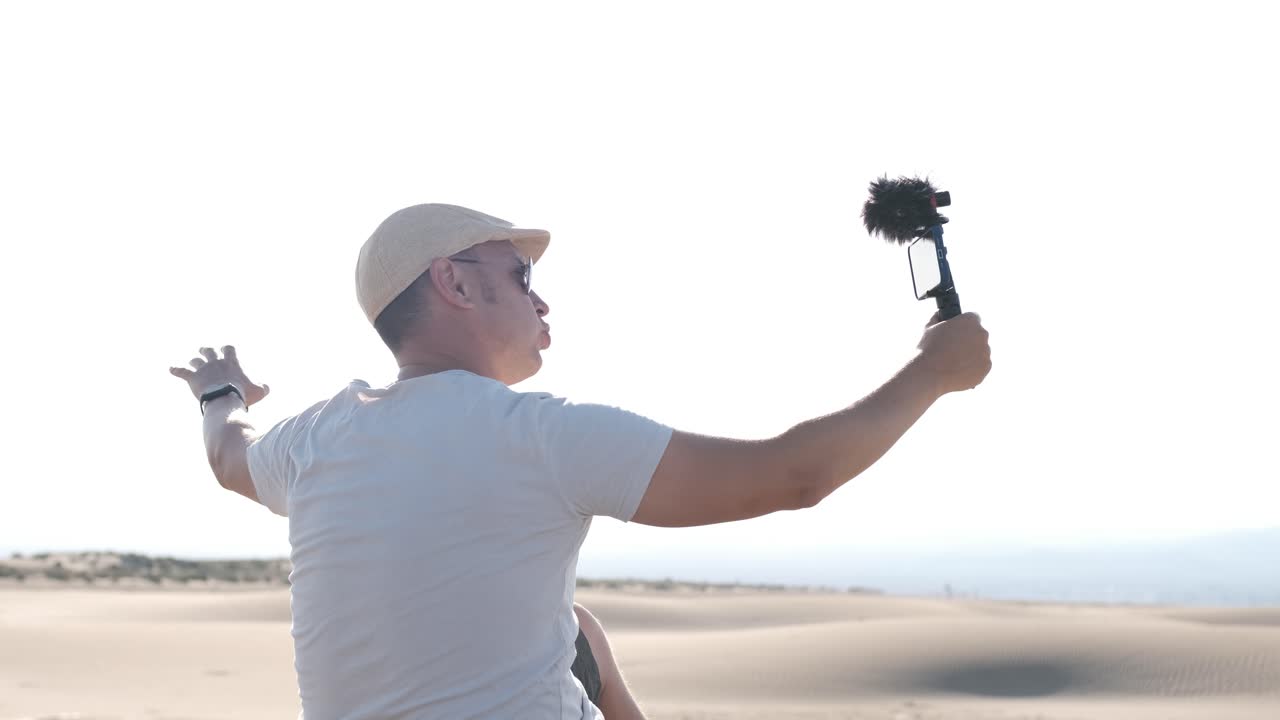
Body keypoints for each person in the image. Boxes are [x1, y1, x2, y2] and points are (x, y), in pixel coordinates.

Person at [169, 203, 991, 719]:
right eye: (519, 275)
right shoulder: (536, 437)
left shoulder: (316, 440)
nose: (542, 298)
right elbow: (791, 475)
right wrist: (934, 372)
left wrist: (221, 391)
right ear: (453, 282)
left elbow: (225, 454)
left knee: (576, 632)